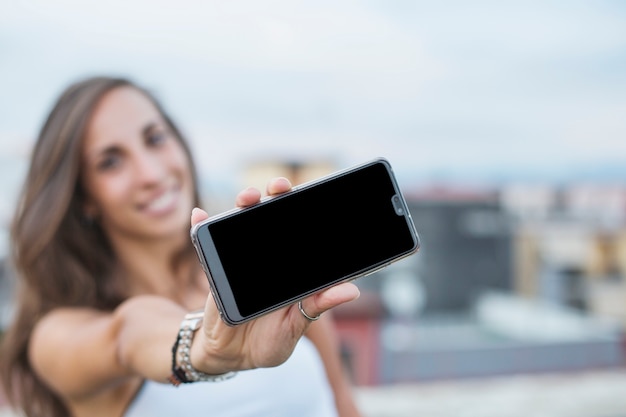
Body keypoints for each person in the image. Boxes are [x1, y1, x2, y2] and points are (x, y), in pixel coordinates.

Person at [0, 76, 362, 417]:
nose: (152, 174)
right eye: (110, 161)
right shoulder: (58, 335)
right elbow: (129, 335)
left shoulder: (274, 271)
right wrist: (202, 347)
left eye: (155, 138)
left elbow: (342, 403)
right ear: (83, 198)